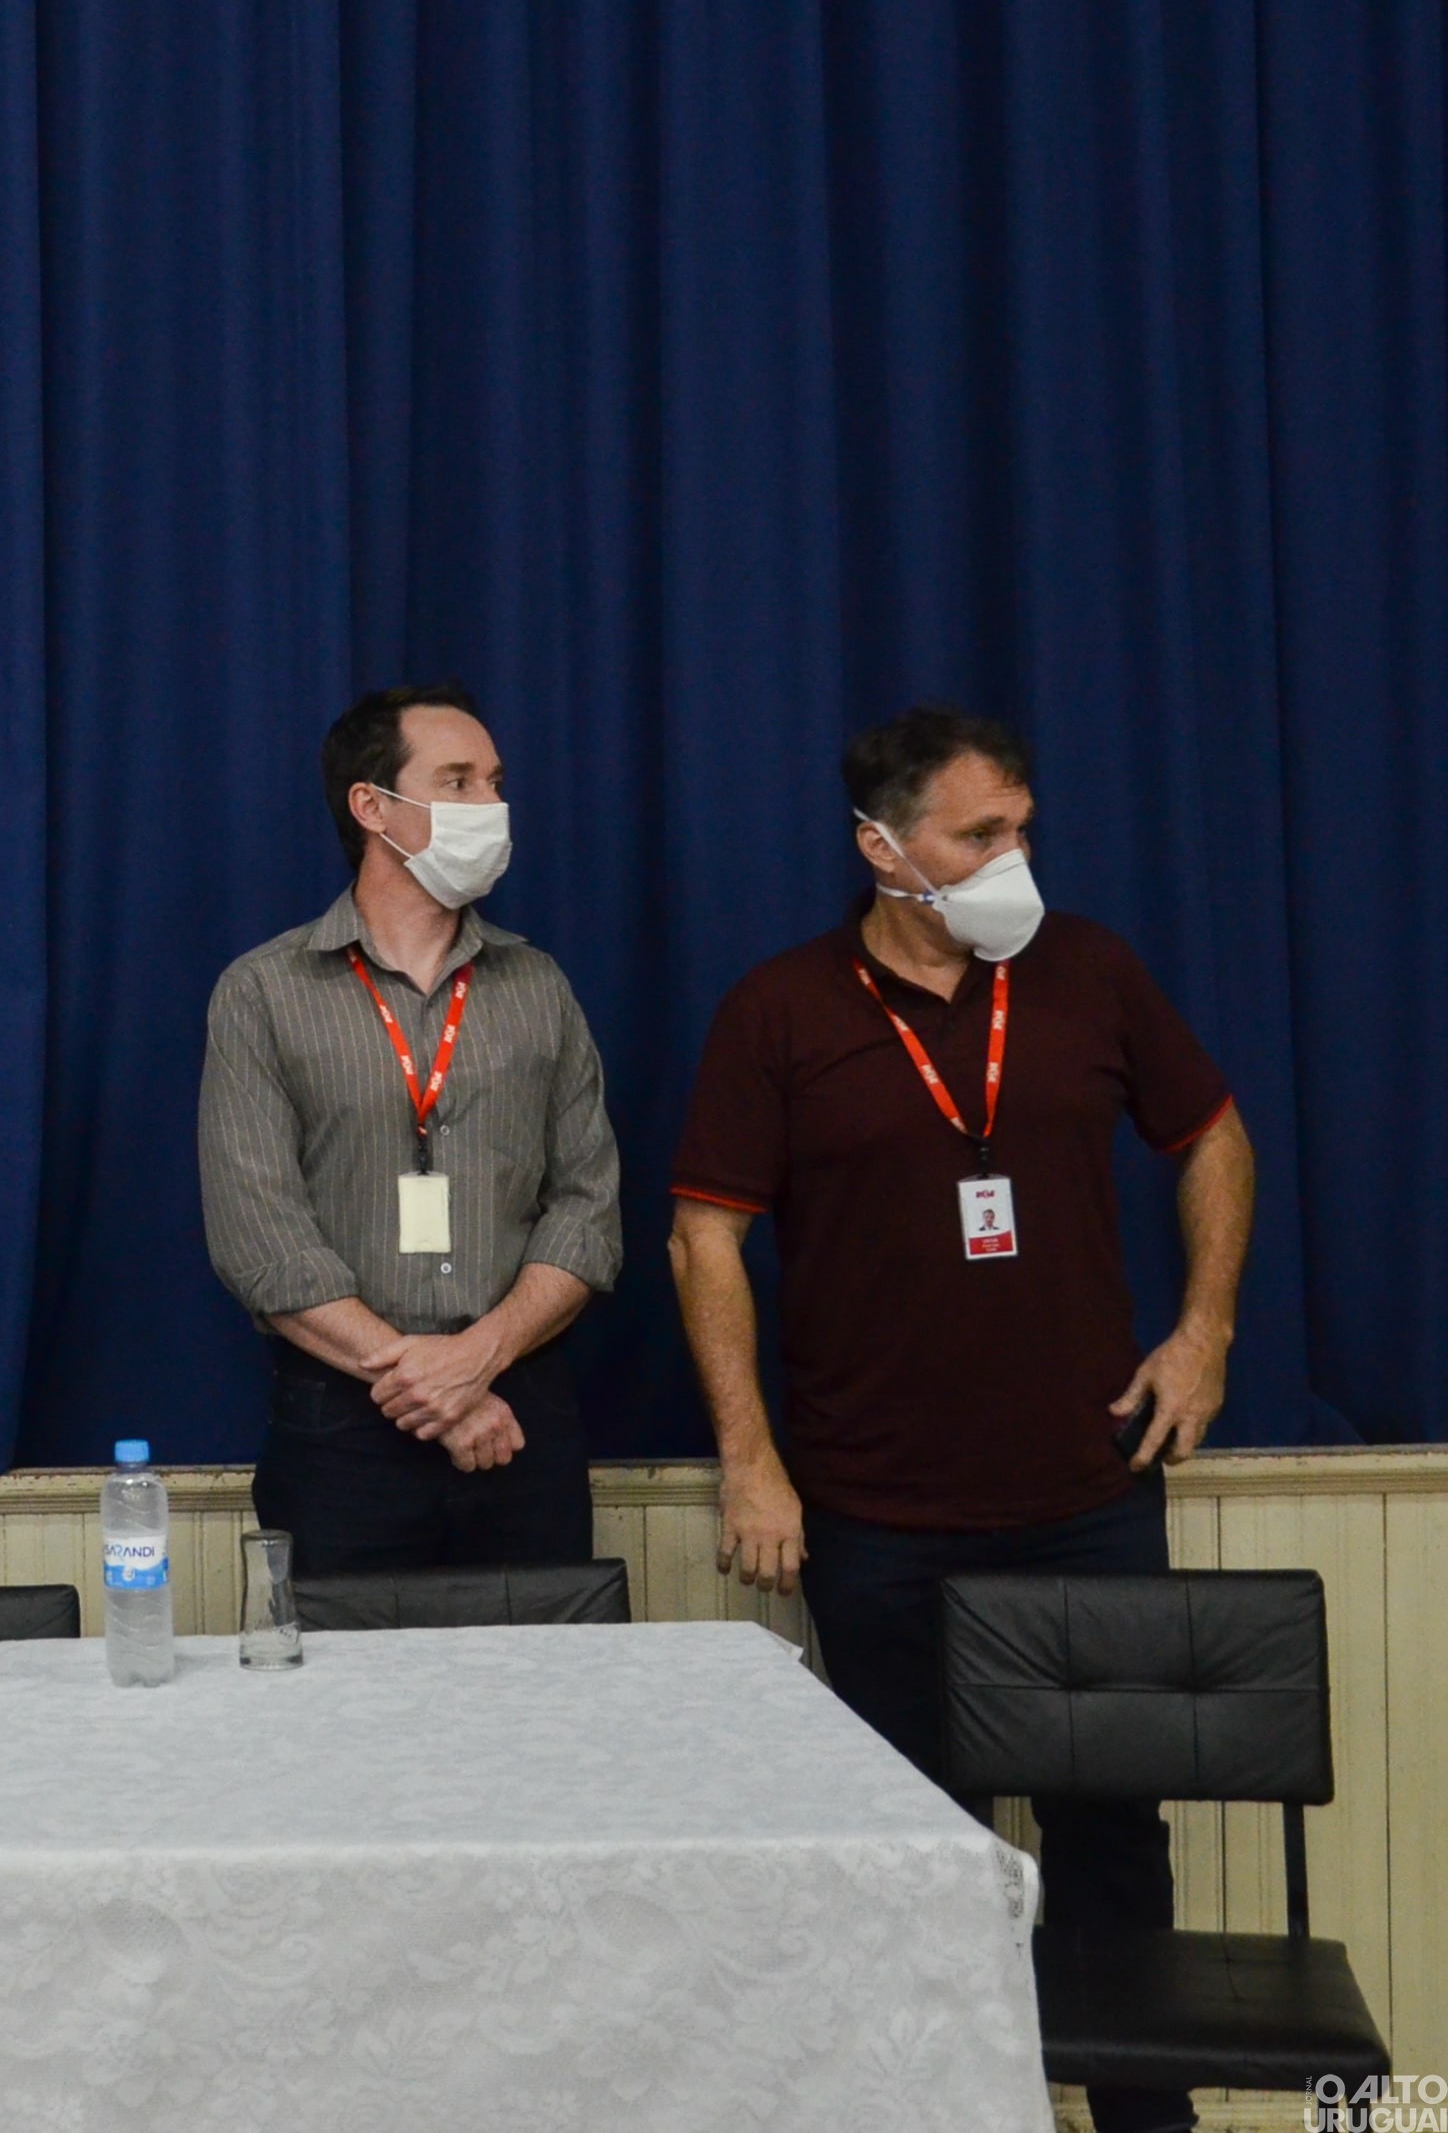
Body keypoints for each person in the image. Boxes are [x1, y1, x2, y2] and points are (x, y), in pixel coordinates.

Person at [671, 704, 1250, 2133]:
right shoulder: (781, 1010)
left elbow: (1214, 1135)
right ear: (882, 849)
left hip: (1091, 1492)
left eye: (1023, 826)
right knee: (923, 1853)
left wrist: (1205, 1331)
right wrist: (753, 1461)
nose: (1015, 857)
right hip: (878, 1518)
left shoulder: (1090, 970)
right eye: (978, 834)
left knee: (1115, 1840)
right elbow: (704, 1238)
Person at [198, 684, 622, 1575]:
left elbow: (588, 1211)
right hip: (340, 1436)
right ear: (373, 806)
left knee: (543, 1703)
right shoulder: (262, 992)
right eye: (459, 781)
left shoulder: (538, 986)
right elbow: (260, 1240)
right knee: (343, 1708)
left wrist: (479, 1358)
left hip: (523, 1420)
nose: (491, 807)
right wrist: (439, 1388)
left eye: (496, 783)